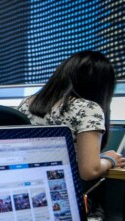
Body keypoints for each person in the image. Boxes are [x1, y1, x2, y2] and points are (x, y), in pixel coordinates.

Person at [17, 51, 125, 181]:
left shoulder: (28, 103)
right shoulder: (88, 108)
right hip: (61, 187)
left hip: (25, 180)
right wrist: (110, 160)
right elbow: (89, 171)